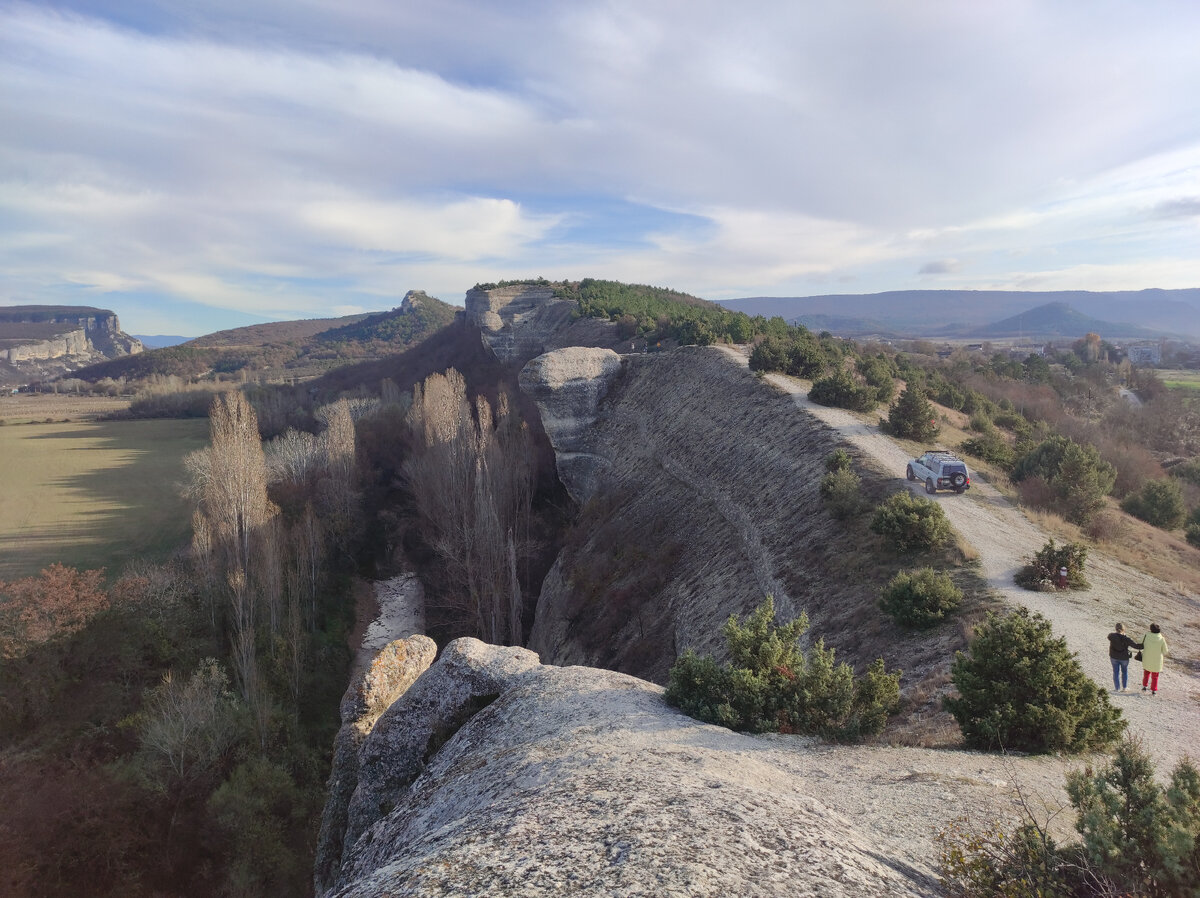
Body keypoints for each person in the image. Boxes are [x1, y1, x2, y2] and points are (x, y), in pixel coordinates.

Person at [1107, 623, 1141, 692]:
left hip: (1114, 657)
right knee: (1124, 672)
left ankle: (1117, 688)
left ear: (1115, 629)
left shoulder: (1111, 636)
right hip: (1124, 658)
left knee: (1115, 672)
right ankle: (1124, 687)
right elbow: (1135, 646)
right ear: (1123, 629)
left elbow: (1110, 636)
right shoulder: (1126, 639)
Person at [1139, 623, 1169, 695]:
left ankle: (1144, 686)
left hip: (1147, 658)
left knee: (1146, 674)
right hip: (1157, 661)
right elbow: (1165, 651)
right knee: (1155, 677)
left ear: (1151, 629)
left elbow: (1140, 642)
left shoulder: (1146, 636)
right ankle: (1154, 690)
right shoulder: (1162, 639)